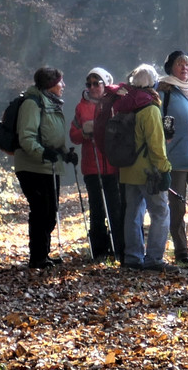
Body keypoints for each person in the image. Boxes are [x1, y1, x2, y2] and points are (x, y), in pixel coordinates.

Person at [11, 66, 75, 270]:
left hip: (48, 166)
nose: (63, 85)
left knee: (50, 211)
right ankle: (37, 257)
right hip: (31, 167)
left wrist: (65, 154)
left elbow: (52, 135)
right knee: (41, 210)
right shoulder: (32, 103)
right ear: (50, 84)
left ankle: (43, 254)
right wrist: (42, 153)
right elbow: (27, 136)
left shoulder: (51, 103)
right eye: (60, 82)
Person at [114, 64, 172, 271]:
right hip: (150, 173)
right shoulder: (149, 108)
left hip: (127, 169)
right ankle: (154, 259)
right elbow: (156, 145)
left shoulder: (123, 105)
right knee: (160, 213)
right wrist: (164, 170)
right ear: (153, 83)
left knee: (132, 214)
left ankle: (132, 257)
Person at [157, 50, 188, 266]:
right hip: (175, 161)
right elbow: (157, 124)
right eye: (179, 64)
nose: (184, 68)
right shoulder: (164, 92)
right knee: (177, 210)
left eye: (187, 64)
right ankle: (181, 252)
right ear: (170, 68)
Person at [73, 68, 125, 261]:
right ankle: (100, 251)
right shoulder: (81, 107)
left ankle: (119, 247)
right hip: (92, 166)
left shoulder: (115, 103)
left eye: (97, 83)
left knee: (116, 207)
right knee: (97, 209)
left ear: (106, 83)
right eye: (90, 84)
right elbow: (73, 135)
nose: (93, 87)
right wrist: (85, 133)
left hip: (113, 165)